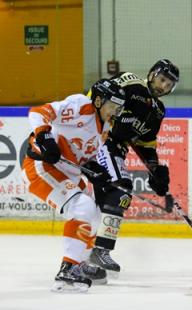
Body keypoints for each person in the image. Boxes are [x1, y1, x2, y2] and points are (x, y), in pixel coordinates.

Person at [21, 79, 126, 292]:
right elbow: (38, 112)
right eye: (112, 106)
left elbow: (82, 154)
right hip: (42, 167)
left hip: (68, 173)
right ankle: (67, 270)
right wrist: (45, 137)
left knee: (96, 214)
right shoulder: (80, 106)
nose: (115, 112)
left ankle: (80, 262)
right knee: (82, 208)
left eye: (118, 108)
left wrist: (93, 169)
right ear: (98, 100)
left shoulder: (106, 124)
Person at [87, 59, 179, 275]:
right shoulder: (132, 84)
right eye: (162, 79)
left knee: (108, 199)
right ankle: (100, 251)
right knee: (121, 190)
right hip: (99, 140)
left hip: (116, 148)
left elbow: (145, 142)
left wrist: (155, 170)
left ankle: (88, 250)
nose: (163, 86)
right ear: (152, 73)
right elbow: (96, 97)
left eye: (169, 84)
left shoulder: (158, 110)